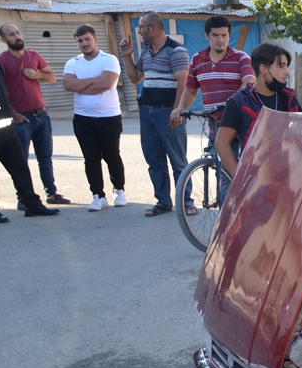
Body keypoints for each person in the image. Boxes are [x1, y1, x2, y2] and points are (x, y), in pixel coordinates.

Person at [0, 22, 59, 221]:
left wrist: (13, 114)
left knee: (20, 167)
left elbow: (2, 93)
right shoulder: (0, 61)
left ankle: (32, 204)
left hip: (7, 128)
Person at [119, 12, 190, 217]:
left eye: (141, 27)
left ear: (153, 28)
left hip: (167, 110)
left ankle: (186, 202)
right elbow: (135, 78)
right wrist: (127, 56)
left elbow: (183, 83)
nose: (139, 31)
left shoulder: (176, 51)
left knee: (177, 159)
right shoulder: (146, 52)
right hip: (147, 111)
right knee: (154, 160)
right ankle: (163, 201)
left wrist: (177, 111)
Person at [0, 24, 69, 205]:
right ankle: (24, 198)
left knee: (45, 158)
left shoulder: (34, 55)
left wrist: (38, 75)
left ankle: (51, 194)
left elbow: (51, 77)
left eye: (18, 32)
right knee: (20, 162)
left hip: (41, 115)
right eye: (11, 35)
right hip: (21, 119)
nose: (17, 37)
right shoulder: (1, 60)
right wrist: (14, 115)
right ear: (4, 40)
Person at [63, 25, 126, 212]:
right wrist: (94, 80)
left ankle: (119, 191)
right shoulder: (73, 63)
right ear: (76, 42)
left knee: (111, 155)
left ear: (96, 40)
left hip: (109, 117)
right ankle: (98, 196)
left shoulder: (109, 59)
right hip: (83, 119)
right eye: (80, 40)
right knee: (91, 158)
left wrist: (81, 85)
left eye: (87, 39)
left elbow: (106, 84)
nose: (84, 43)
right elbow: (68, 85)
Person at [215, 42, 302, 178]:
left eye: (287, 66)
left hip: (289, 179)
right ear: (264, 69)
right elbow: (221, 143)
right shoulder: (239, 102)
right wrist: (239, 179)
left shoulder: (289, 98)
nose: (287, 72)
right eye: (281, 66)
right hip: (255, 182)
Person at [171, 15, 254, 132]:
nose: (220, 40)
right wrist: (180, 108)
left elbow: (249, 81)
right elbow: (190, 90)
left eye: (224, 35)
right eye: (215, 35)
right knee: (211, 150)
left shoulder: (241, 58)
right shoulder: (197, 59)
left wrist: (234, 102)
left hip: (239, 123)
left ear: (229, 36)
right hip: (213, 125)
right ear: (207, 36)